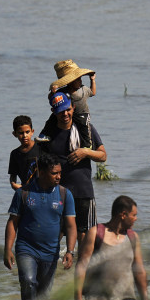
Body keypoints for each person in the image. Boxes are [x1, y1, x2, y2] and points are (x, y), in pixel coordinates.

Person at [74, 195, 150, 300]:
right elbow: (81, 266)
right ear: (123, 214)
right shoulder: (96, 233)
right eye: (134, 215)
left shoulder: (133, 238)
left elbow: (139, 271)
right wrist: (78, 299)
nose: (136, 219)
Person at [4, 154, 77, 300]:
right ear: (41, 172)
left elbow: (71, 225)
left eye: (60, 173)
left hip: (50, 252)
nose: (58, 177)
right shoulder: (23, 193)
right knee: (29, 282)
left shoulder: (65, 194)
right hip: (26, 249)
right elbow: (12, 223)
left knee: (44, 296)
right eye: (54, 173)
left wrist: (70, 251)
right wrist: (7, 249)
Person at [38, 90, 107, 251]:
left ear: (73, 108)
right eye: (61, 111)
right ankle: (51, 269)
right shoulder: (48, 134)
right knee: (54, 233)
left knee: (84, 235)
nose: (65, 114)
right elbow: (39, 163)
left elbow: (103, 156)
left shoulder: (86, 129)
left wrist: (86, 152)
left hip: (83, 191)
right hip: (56, 192)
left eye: (68, 109)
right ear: (54, 112)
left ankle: (81, 271)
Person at [35, 60, 96, 147]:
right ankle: (44, 134)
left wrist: (92, 80)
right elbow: (52, 99)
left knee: (84, 128)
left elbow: (93, 92)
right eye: (78, 79)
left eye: (80, 78)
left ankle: (87, 144)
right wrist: (53, 93)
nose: (80, 81)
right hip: (67, 113)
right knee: (51, 120)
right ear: (70, 81)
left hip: (82, 113)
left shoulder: (83, 89)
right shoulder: (62, 92)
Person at [8, 115, 43, 190]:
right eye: (21, 133)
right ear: (15, 134)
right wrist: (13, 184)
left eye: (27, 132)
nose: (24, 136)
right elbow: (13, 176)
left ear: (32, 132)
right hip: (26, 191)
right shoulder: (15, 154)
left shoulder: (41, 148)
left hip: (43, 190)